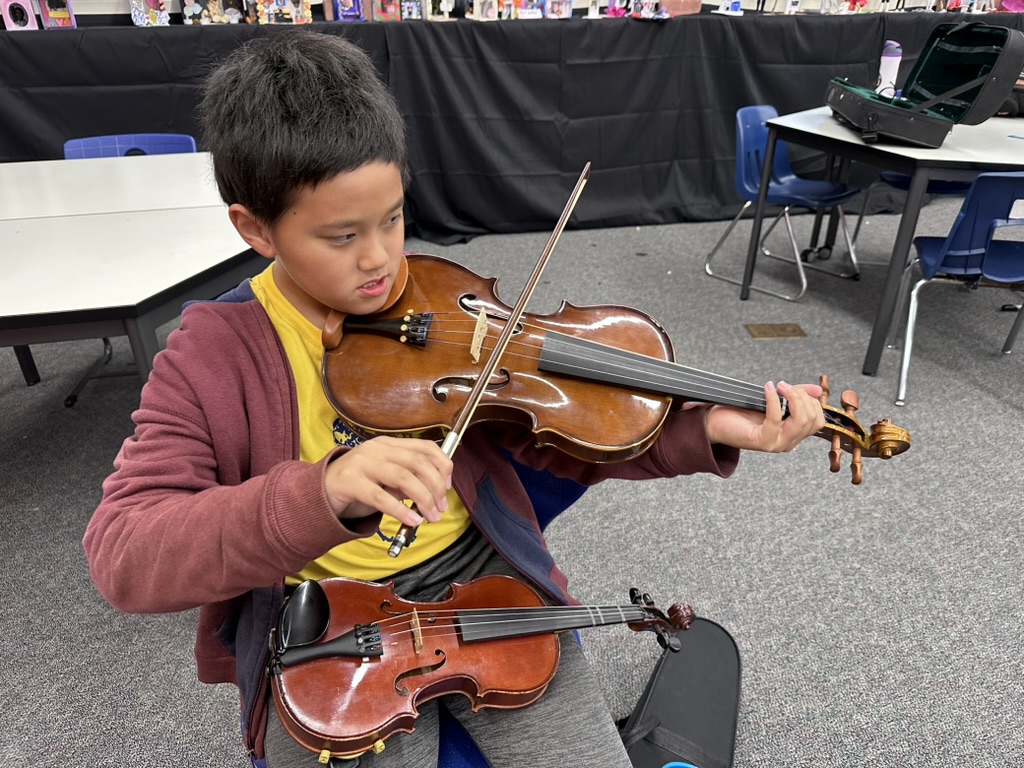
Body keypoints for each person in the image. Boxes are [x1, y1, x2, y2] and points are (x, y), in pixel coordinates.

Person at [83, 29, 826, 768]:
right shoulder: (212, 351)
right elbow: (123, 552)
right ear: (257, 229)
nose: (381, 261)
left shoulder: (443, 308)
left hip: (485, 585)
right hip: (334, 619)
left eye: (393, 218)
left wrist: (710, 429)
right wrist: (323, 491)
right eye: (341, 237)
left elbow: (564, 425)